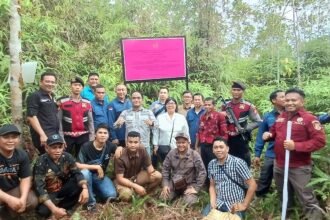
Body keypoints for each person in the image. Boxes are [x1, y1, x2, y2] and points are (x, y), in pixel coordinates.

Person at [263, 88, 326, 220]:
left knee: (306, 197)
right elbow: (274, 132)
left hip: (299, 167)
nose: (290, 103)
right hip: (279, 164)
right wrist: (269, 135)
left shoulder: (309, 119)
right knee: (283, 193)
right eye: (287, 100)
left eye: (294, 100)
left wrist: (296, 146)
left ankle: (315, 217)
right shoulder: (281, 117)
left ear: (302, 102)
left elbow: (320, 141)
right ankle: (287, 215)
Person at [33, 134, 89, 219]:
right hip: (49, 192)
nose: (58, 150)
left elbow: (77, 172)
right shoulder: (41, 162)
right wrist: (53, 209)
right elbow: (39, 188)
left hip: (63, 188)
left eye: (60, 147)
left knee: (79, 184)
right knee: (42, 212)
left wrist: (85, 189)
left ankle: (63, 208)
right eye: (54, 147)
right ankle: (55, 210)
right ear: (47, 148)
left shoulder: (67, 156)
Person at [76, 124, 122, 211]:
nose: (103, 135)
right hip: (87, 176)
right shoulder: (86, 146)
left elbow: (120, 151)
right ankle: (90, 204)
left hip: (99, 177)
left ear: (108, 135)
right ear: (95, 135)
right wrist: (96, 166)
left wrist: (119, 147)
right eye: (100, 132)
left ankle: (93, 192)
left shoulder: (110, 146)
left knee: (111, 195)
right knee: (85, 173)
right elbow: (78, 165)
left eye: (105, 133)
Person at [208, 137, 257, 218]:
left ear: (227, 149)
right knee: (204, 216)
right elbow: (212, 185)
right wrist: (213, 200)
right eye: (215, 147)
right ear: (213, 150)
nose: (218, 150)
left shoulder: (238, 163)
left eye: (221, 147)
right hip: (219, 202)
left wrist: (244, 205)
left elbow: (253, 185)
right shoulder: (211, 164)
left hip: (234, 205)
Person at [0, 124, 38, 217]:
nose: (10, 140)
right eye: (6, 137)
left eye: (14, 137)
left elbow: (25, 178)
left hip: (12, 189)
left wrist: (23, 199)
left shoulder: (21, 155)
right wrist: (9, 199)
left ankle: (6, 214)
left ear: (18, 139)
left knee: (31, 200)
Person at [221, 81, 262, 167]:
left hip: (241, 138)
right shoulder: (225, 104)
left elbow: (258, 121)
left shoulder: (248, 105)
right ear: (231, 91)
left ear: (243, 91)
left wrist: (244, 129)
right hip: (227, 138)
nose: (236, 92)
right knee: (227, 161)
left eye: (238, 90)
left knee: (243, 161)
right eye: (234, 90)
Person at [253, 90, 285, 197]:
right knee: (265, 176)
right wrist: (257, 154)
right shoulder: (268, 116)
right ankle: (261, 197)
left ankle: (284, 200)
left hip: (288, 153)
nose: (285, 99)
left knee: (285, 178)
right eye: (282, 97)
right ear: (274, 100)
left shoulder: (292, 114)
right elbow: (261, 135)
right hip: (271, 152)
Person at [114, 131, 162, 202]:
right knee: (126, 195)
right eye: (130, 142)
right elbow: (120, 179)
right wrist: (136, 186)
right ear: (126, 142)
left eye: (135, 142)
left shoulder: (142, 149)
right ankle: (135, 192)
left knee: (158, 176)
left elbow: (150, 168)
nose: (133, 145)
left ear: (139, 143)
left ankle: (146, 192)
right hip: (123, 180)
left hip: (136, 177)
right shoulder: (120, 155)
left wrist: (153, 174)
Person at [160, 133, 206, 206]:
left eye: (183, 142)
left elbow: (202, 172)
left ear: (188, 143)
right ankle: (175, 194)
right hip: (175, 183)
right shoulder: (171, 153)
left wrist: (196, 188)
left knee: (188, 202)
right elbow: (165, 169)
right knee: (163, 198)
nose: (181, 145)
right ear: (176, 143)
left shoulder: (194, 155)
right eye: (179, 143)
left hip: (189, 184)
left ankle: (189, 196)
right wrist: (165, 185)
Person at [58, 77, 94, 157]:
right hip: (67, 136)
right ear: (70, 86)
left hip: (83, 136)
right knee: (65, 157)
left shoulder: (87, 102)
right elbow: (59, 121)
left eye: (79, 85)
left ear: (82, 88)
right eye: (75, 85)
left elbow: (90, 121)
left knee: (82, 158)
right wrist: (61, 138)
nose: (77, 87)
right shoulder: (63, 102)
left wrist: (91, 138)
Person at [27, 72, 59, 154]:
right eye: (47, 81)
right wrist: (42, 134)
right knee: (47, 159)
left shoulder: (52, 96)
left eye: (52, 82)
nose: (50, 84)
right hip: (44, 135)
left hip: (54, 133)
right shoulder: (35, 96)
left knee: (54, 159)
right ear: (41, 82)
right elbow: (31, 117)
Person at [196, 97, 227, 179]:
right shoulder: (202, 117)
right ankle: (207, 184)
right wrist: (197, 145)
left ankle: (217, 183)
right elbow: (200, 131)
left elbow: (224, 133)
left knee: (215, 164)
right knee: (205, 164)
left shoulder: (219, 116)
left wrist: (222, 147)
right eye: (205, 105)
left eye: (209, 105)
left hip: (214, 145)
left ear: (213, 105)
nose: (207, 106)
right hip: (203, 144)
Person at [153, 97, 190, 162]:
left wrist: (188, 144)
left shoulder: (181, 117)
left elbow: (186, 132)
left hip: (178, 146)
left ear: (176, 105)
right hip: (163, 147)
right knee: (165, 166)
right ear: (165, 105)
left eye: (173, 103)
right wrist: (155, 145)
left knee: (178, 165)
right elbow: (156, 132)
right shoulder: (160, 117)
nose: (170, 105)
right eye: (168, 103)